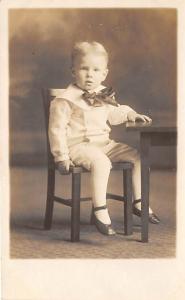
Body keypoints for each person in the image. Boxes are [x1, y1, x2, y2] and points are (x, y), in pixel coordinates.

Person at [48, 41, 160, 236]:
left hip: (104, 145)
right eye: (84, 68)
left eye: (95, 69)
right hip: (78, 147)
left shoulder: (104, 95)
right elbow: (56, 130)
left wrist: (130, 114)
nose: (90, 74)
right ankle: (100, 209)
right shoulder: (64, 100)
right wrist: (61, 157)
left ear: (104, 74)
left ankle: (139, 201)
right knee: (102, 162)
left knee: (137, 157)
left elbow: (114, 114)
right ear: (73, 71)